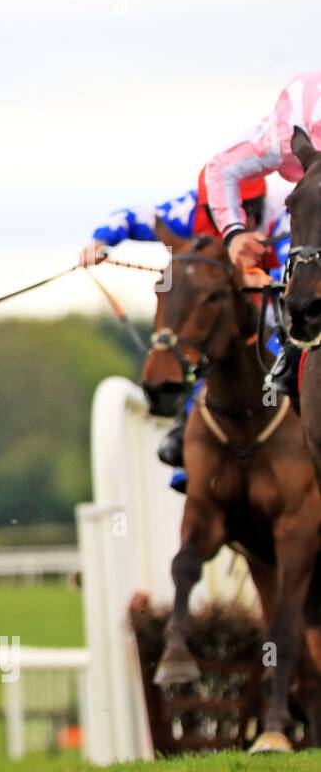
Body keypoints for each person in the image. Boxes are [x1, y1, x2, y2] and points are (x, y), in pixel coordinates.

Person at [80, 170, 290, 484]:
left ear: (259, 202)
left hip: (273, 307)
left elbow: (295, 275)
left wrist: (265, 280)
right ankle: (187, 445)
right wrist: (100, 240)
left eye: (246, 209)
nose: (238, 219)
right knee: (197, 352)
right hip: (223, 313)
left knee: (281, 347)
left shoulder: (284, 213)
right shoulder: (191, 209)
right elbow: (139, 216)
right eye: (229, 210)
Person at [204, 70, 321, 398]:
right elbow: (221, 167)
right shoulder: (281, 138)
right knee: (301, 265)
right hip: (312, 200)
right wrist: (234, 235)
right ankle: (291, 349)